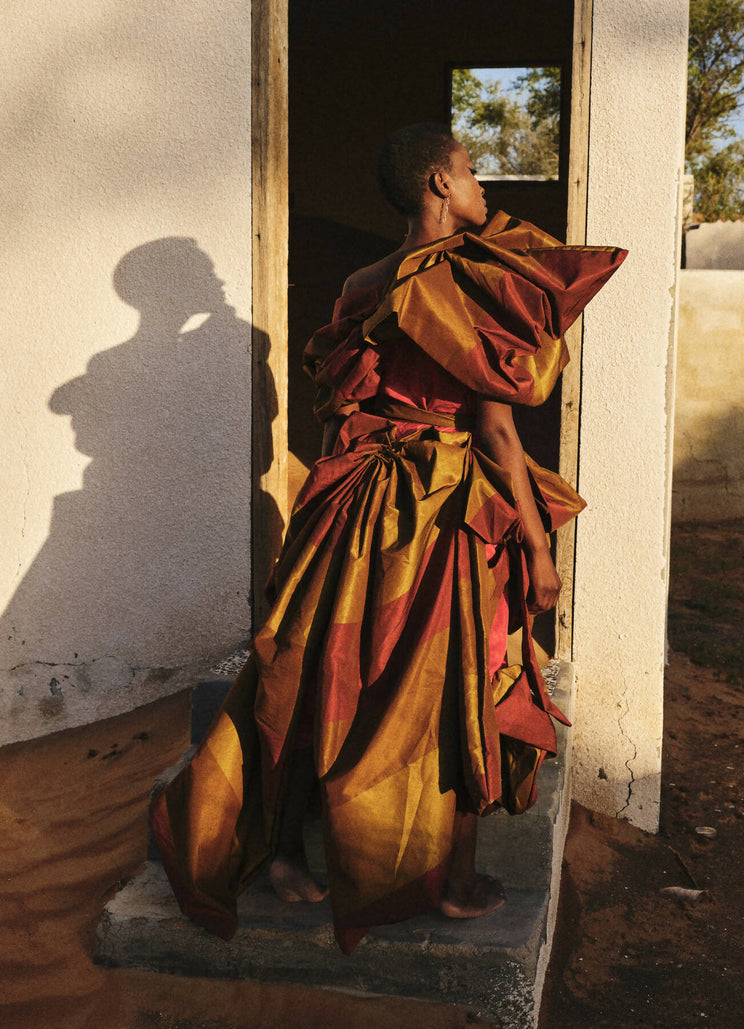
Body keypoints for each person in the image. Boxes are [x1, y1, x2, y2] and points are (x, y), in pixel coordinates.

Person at [150, 123, 626, 955]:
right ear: (439, 183)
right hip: (441, 512)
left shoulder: (362, 282)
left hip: (352, 504)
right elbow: (498, 432)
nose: (486, 190)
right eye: (474, 173)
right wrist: (541, 550)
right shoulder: (472, 287)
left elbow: (338, 412)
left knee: (309, 673)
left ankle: (290, 852)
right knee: (463, 681)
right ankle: (454, 882)